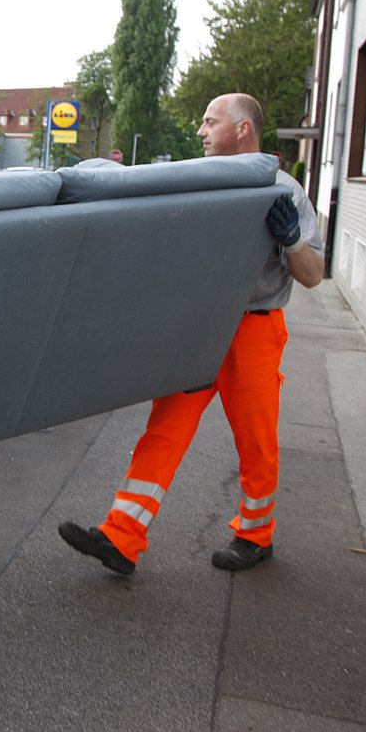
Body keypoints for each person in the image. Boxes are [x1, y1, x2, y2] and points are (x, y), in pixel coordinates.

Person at [59, 93, 324, 575]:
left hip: (253, 328)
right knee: (166, 427)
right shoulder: (199, 184)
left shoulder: (283, 191)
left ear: (243, 129)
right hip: (200, 325)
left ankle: (255, 535)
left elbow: (312, 275)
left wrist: (292, 240)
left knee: (256, 438)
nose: (200, 131)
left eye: (209, 121)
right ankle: (121, 537)